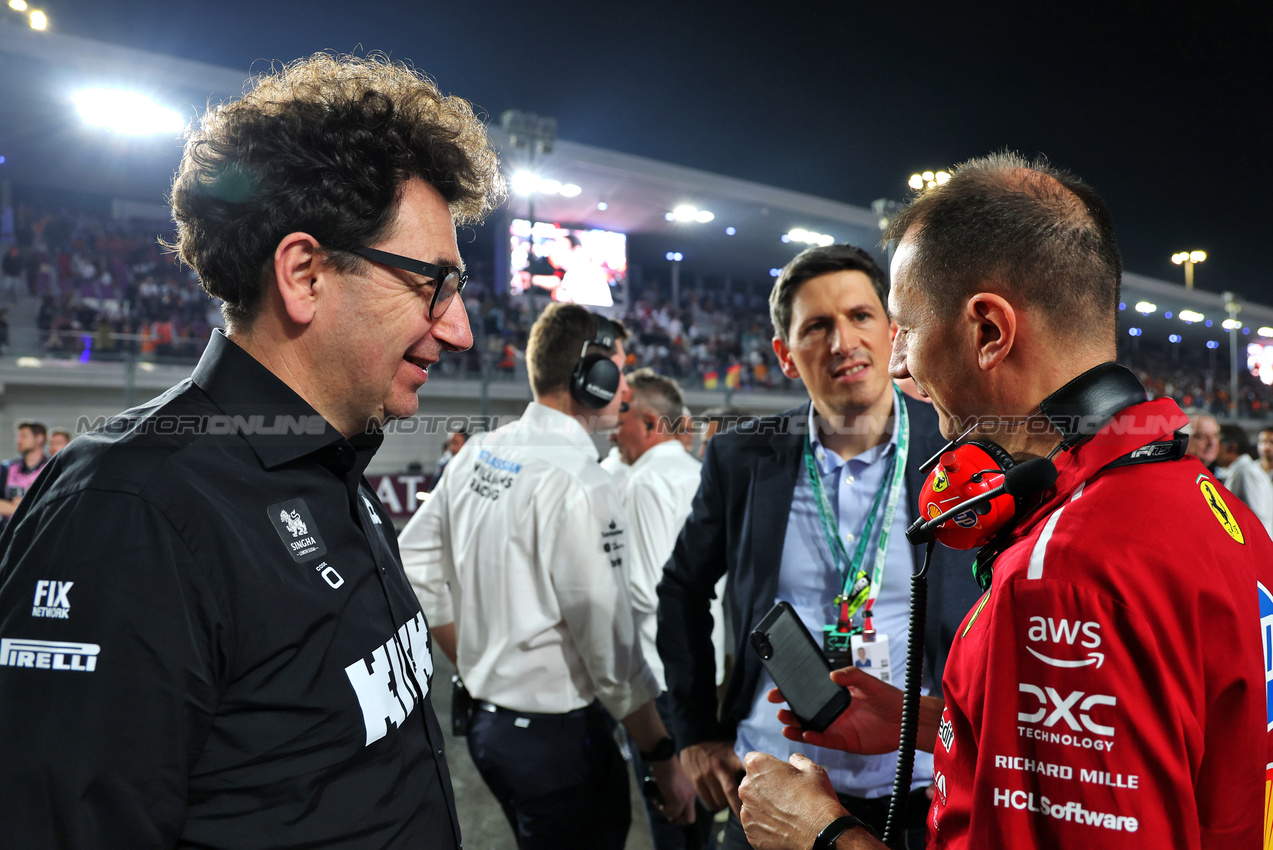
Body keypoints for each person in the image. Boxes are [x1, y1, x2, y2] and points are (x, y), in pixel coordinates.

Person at [0, 52, 504, 848]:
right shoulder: (127, 512)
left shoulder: (332, 456)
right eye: (430, 284)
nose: (458, 328)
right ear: (304, 274)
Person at [737, 153, 1273, 850]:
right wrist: (927, 722)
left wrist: (820, 833)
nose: (897, 366)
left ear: (988, 331)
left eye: (906, 329)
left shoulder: (1062, 575)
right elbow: (1154, 750)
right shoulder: (1200, 498)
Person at [657, 243, 981, 849]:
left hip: (919, 788)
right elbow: (681, 590)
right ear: (786, 354)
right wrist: (694, 731)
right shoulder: (742, 457)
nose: (843, 342)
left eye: (860, 316)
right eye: (817, 327)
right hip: (775, 784)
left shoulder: (959, 457)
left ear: (892, 332)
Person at [399, 303, 696, 850]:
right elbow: (611, 655)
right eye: (620, 369)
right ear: (592, 378)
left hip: (488, 731)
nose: (625, 386)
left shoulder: (480, 451)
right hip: (559, 745)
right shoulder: (584, 483)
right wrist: (662, 756)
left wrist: (473, 660)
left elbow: (413, 565)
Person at [612, 367, 719, 849]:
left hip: (660, 680)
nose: (615, 428)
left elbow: (642, 591)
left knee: (672, 817)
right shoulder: (701, 475)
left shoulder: (643, 482)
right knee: (706, 810)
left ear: (652, 423)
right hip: (707, 671)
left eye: (624, 417)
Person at [1215, 423, 1273, 534]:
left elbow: (1260, 519)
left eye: (1218, 443)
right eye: (1262, 442)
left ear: (1232, 448)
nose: (1213, 447)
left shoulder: (1246, 472)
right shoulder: (1245, 470)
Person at [0, 421, 50, 532]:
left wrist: (15, 507)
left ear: (39, 439)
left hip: (39, 535)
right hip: (8, 534)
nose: (18, 440)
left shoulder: (52, 469)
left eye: (24, 436)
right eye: (18, 436)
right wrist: (27, 508)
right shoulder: (6, 468)